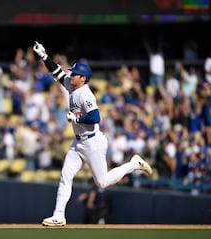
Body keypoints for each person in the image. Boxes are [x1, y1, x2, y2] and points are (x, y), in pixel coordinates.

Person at [32, 41, 153, 227]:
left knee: (102, 183)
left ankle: (133, 164)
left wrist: (76, 119)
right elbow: (57, 73)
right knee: (66, 175)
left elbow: (95, 117)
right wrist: (44, 56)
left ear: (83, 78)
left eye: (75, 73)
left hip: (92, 142)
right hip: (78, 143)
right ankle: (59, 215)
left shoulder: (85, 94)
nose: (71, 75)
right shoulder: (73, 86)